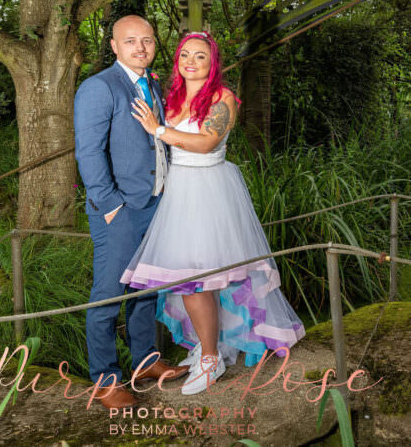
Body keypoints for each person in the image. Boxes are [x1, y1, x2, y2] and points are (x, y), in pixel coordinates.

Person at [121, 31, 305, 395]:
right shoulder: (170, 96)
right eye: (184, 55)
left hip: (208, 191)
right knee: (185, 280)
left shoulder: (222, 98)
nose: (190, 61)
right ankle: (208, 348)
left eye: (200, 56)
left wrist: (157, 129)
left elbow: (206, 143)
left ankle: (210, 360)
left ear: (213, 63)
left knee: (197, 279)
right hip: (178, 191)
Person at [73, 15, 189, 410]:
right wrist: (110, 207)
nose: (141, 48)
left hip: (156, 204)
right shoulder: (98, 87)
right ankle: (105, 381)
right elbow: (88, 153)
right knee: (108, 295)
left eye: (147, 40)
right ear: (114, 46)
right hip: (120, 210)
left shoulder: (153, 83)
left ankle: (146, 362)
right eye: (131, 41)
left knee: (147, 290)